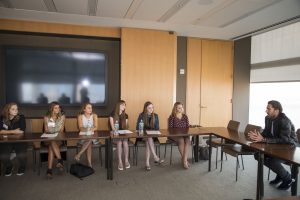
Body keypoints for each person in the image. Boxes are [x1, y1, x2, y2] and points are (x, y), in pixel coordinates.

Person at [248, 100, 298, 190]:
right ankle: (280, 174)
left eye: (268, 109)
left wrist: (264, 140)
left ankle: (288, 178)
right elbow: (267, 132)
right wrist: (258, 136)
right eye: (266, 108)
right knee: (257, 155)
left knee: (272, 161)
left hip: (289, 147)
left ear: (276, 110)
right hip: (276, 145)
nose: (266, 110)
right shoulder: (267, 118)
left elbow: (285, 140)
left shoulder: (285, 121)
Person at [0, 103, 27, 176]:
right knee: (3, 155)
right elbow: (0, 131)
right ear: (8, 110)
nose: (16, 111)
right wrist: (14, 131)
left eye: (17, 109)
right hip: (7, 141)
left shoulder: (21, 117)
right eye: (13, 109)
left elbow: (21, 131)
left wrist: (7, 132)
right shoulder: (2, 118)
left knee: (21, 154)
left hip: (19, 140)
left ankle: (22, 166)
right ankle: (9, 166)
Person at [136, 101, 164, 171]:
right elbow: (137, 127)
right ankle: (155, 157)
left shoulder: (156, 116)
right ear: (145, 108)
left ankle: (147, 163)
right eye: (149, 108)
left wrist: (151, 131)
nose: (151, 109)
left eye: (152, 107)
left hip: (152, 136)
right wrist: (145, 131)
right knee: (148, 138)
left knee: (149, 140)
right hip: (142, 136)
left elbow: (157, 128)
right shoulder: (141, 115)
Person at [43, 101, 65, 179]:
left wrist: (53, 130)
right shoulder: (46, 117)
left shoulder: (62, 116)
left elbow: (61, 130)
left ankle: (49, 170)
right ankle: (60, 160)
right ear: (51, 109)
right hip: (48, 137)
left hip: (58, 138)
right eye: (56, 108)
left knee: (51, 147)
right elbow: (46, 130)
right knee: (51, 141)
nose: (58, 109)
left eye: (58, 107)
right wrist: (52, 131)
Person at [74, 103, 98, 168]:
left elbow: (96, 127)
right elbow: (80, 128)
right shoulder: (80, 116)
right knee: (89, 141)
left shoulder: (94, 115)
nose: (91, 109)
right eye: (88, 108)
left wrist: (91, 129)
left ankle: (79, 154)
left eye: (91, 108)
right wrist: (88, 129)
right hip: (83, 136)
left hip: (93, 136)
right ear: (84, 109)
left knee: (90, 139)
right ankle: (89, 163)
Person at [168, 102, 190, 169]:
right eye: (179, 108)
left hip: (184, 134)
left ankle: (184, 159)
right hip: (174, 135)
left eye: (182, 107)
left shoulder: (185, 116)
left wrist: (187, 133)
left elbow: (188, 127)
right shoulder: (172, 117)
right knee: (181, 140)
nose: (181, 109)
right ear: (175, 109)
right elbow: (170, 129)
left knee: (187, 140)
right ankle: (185, 161)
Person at [109, 100, 130, 171]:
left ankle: (126, 160)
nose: (124, 106)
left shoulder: (126, 115)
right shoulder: (112, 114)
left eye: (125, 105)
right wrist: (115, 131)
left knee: (125, 142)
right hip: (115, 134)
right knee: (119, 142)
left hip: (123, 134)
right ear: (118, 106)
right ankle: (120, 161)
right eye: (122, 105)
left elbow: (126, 127)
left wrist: (126, 131)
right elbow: (112, 128)